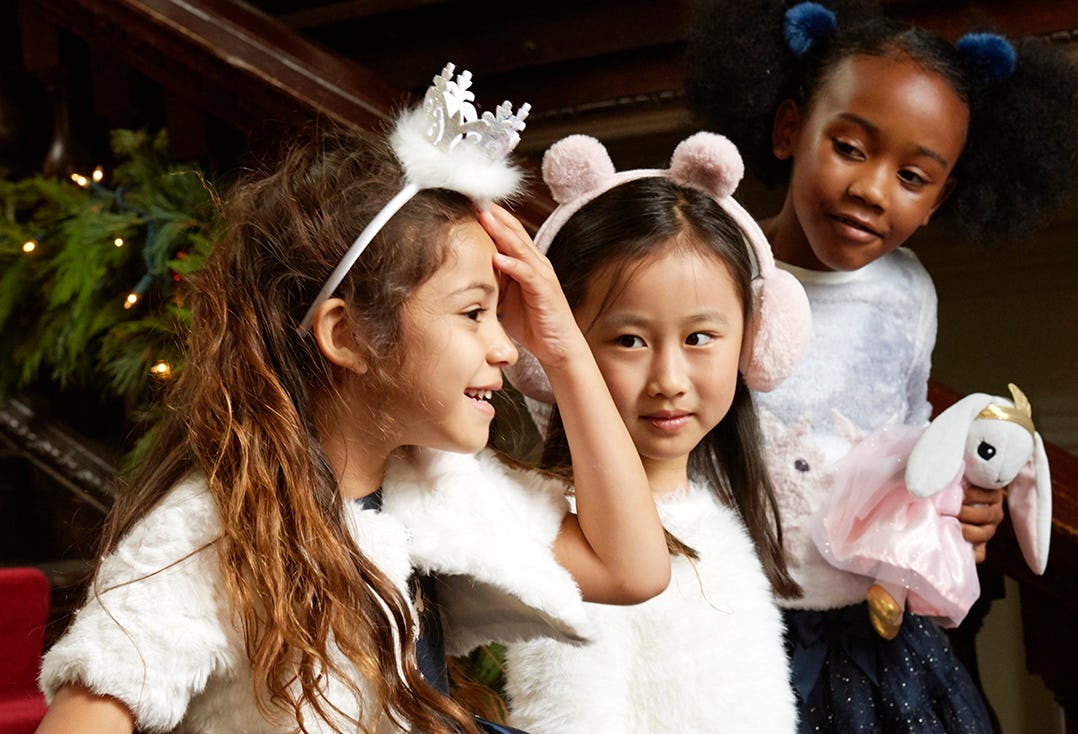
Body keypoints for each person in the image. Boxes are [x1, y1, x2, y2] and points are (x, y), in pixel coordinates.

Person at [33, 64, 670, 734]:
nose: (507, 348)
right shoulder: (213, 531)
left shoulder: (433, 485)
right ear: (350, 336)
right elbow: (85, 712)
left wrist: (567, 350)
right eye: (474, 313)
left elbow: (631, 569)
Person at [683, 2, 1078, 730]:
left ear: (941, 199)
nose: (873, 189)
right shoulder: (711, 268)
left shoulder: (908, 293)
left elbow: (910, 442)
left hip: (865, 635)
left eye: (914, 176)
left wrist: (960, 505)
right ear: (789, 129)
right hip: (721, 626)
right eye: (851, 147)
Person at [499, 131, 811, 732]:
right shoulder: (566, 537)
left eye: (699, 338)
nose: (669, 379)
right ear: (551, 346)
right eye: (629, 340)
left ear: (757, 338)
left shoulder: (714, 517)